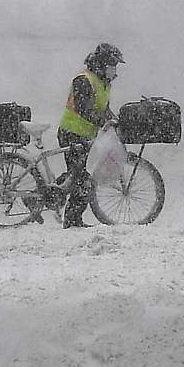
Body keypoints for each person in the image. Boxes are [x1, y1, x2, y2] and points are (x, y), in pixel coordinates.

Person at [54, 42, 125, 228]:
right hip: (71, 132)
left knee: (79, 173)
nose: (114, 70)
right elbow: (83, 108)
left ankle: (56, 192)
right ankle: (72, 220)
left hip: (86, 135)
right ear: (102, 64)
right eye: (112, 65)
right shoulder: (84, 79)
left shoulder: (103, 84)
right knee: (83, 179)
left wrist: (115, 121)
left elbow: (103, 108)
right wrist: (103, 122)